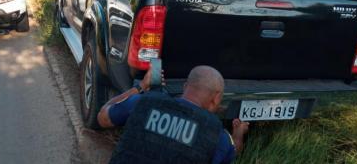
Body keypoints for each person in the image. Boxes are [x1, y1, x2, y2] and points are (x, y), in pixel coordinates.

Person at [98, 65, 249, 164]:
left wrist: (141, 87)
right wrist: (238, 133)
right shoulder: (218, 137)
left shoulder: (142, 102)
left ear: (185, 87)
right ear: (216, 98)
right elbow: (233, 150)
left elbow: (102, 117)